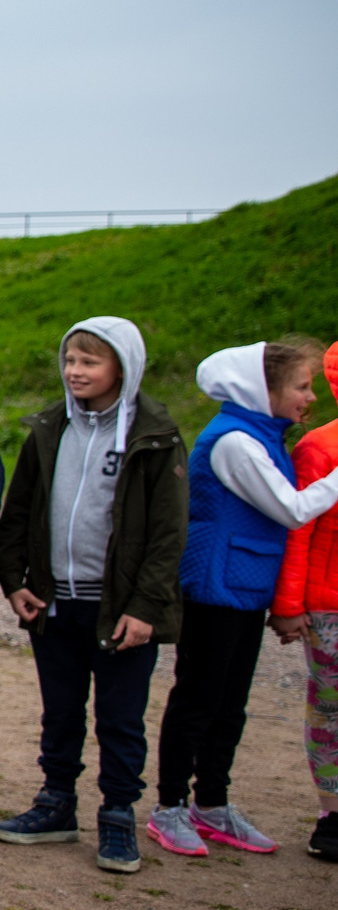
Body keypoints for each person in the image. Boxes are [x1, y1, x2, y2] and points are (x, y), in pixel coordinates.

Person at [0, 317, 187, 876]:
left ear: (122, 368)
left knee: (120, 718)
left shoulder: (155, 435)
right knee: (60, 711)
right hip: (55, 602)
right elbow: (19, 510)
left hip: (119, 609)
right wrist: (15, 581)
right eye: (70, 360)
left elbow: (168, 534)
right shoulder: (49, 427)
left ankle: (118, 815)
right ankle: (57, 802)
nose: (75, 371)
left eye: (89, 362)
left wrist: (144, 608)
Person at [146, 340, 338, 858]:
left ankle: (211, 804)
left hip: (245, 588)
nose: (310, 397)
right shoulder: (235, 442)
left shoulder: (262, 437)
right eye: (301, 387)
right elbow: (292, 509)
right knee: (197, 701)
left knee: (230, 706)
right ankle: (169, 807)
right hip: (215, 589)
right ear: (264, 389)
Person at [273, 343, 338, 861]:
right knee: (331, 709)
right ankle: (332, 814)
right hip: (329, 607)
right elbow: (298, 530)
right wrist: (289, 604)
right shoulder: (320, 448)